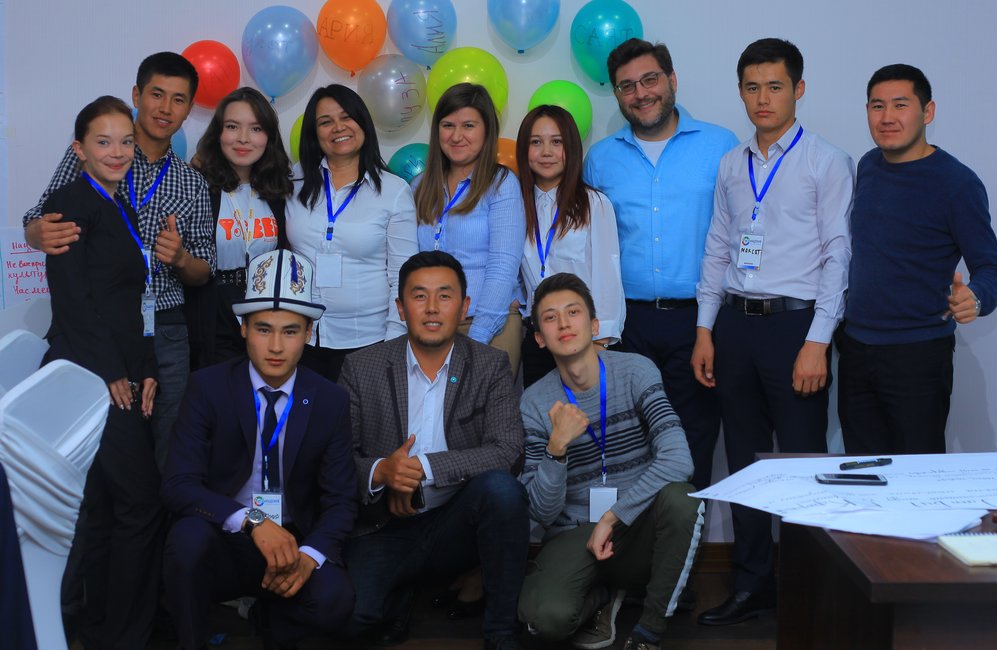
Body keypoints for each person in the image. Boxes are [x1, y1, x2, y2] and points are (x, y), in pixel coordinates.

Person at [693, 38, 854, 626]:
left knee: (803, 461)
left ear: (798, 90)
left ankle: (810, 590)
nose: (763, 98)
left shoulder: (826, 161)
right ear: (741, 92)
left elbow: (839, 255)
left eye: (776, 86)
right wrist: (705, 329)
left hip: (796, 328)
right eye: (753, 87)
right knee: (743, 461)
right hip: (735, 325)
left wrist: (818, 339)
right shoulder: (732, 164)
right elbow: (717, 247)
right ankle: (752, 583)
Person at [22, 51, 215, 472]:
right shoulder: (97, 154)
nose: (165, 108)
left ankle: (157, 517)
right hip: (96, 324)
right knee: (93, 449)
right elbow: (39, 218)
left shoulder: (192, 183)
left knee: (165, 448)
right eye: (156, 94)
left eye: (179, 99)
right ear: (136, 95)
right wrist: (35, 233)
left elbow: (205, 268)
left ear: (189, 110)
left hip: (164, 329)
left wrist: (181, 258)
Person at [161, 249, 356, 650]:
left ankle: (273, 619)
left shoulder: (329, 399)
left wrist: (309, 556)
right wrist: (253, 521)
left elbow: (341, 500)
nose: (276, 346)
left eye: (290, 331)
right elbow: (179, 484)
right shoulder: (208, 387)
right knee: (186, 541)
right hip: (226, 534)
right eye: (264, 329)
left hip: (291, 540)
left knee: (336, 601)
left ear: (308, 333)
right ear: (243, 329)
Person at [339, 251, 529, 650]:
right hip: (385, 526)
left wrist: (421, 468)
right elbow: (337, 460)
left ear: (464, 306)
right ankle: (403, 590)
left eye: (444, 296)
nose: (431, 308)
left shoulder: (490, 365)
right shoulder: (362, 367)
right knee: (352, 620)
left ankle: (500, 631)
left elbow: (508, 450)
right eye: (419, 296)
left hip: (456, 523)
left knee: (502, 491)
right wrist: (383, 472)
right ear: (400, 307)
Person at [583, 39, 738, 492]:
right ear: (617, 94)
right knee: (627, 445)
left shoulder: (720, 146)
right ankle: (633, 539)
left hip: (699, 322)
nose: (641, 93)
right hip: (627, 325)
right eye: (627, 86)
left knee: (693, 441)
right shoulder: (600, 159)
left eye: (650, 79)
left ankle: (685, 537)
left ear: (672, 80)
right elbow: (589, 246)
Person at [518, 273, 701, 650]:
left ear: (595, 325)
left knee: (683, 499)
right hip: (573, 532)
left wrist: (612, 517)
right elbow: (541, 512)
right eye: (550, 318)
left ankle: (649, 631)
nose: (564, 323)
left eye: (573, 312)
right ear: (539, 338)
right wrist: (556, 448)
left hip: (635, 527)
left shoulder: (636, 371)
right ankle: (603, 596)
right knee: (543, 619)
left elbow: (679, 459)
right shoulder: (534, 403)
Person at [42, 95, 163, 649]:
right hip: (88, 378)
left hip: (118, 374)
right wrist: (113, 372)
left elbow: (130, 305)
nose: (117, 152)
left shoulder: (119, 205)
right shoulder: (71, 201)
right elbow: (72, 299)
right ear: (79, 149)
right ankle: (124, 635)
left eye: (125, 142)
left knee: (110, 506)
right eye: (103, 142)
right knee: (138, 504)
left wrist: (147, 367)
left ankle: (102, 630)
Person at [837, 64, 997, 454]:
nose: (887, 117)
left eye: (900, 105)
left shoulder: (957, 183)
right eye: (877, 106)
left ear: (928, 112)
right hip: (856, 349)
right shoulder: (868, 165)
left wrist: (977, 297)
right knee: (862, 473)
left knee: (918, 474)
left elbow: (990, 267)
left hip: (917, 355)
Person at [286, 84, 418, 382]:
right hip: (302, 337)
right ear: (314, 132)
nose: (338, 127)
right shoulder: (293, 181)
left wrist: (394, 341)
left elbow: (403, 275)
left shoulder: (394, 191)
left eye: (346, 117)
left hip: (368, 340)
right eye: (325, 121)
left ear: (363, 123)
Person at [413, 83, 526, 375]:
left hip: (489, 324)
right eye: (448, 125)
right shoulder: (420, 186)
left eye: (468, 125)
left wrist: (478, 336)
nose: (456, 136)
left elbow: (503, 265)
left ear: (487, 131)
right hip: (431, 326)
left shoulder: (501, 184)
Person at [515, 105, 625, 388]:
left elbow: (608, 274)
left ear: (572, 148)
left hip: (585, 339)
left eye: (557, 142)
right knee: (543, 413)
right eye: (536, 142)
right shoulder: (515, 205)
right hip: (539, 338)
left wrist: (600, 342)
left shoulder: (593, 204)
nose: (546, 152)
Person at [188, 86, 293, 368]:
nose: (243, 138)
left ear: (268, 137)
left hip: (264, 310)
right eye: (233, 126)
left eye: (256, 128)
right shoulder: (198, 186)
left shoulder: (279, 190)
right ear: (218, 133)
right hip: (212, 310)